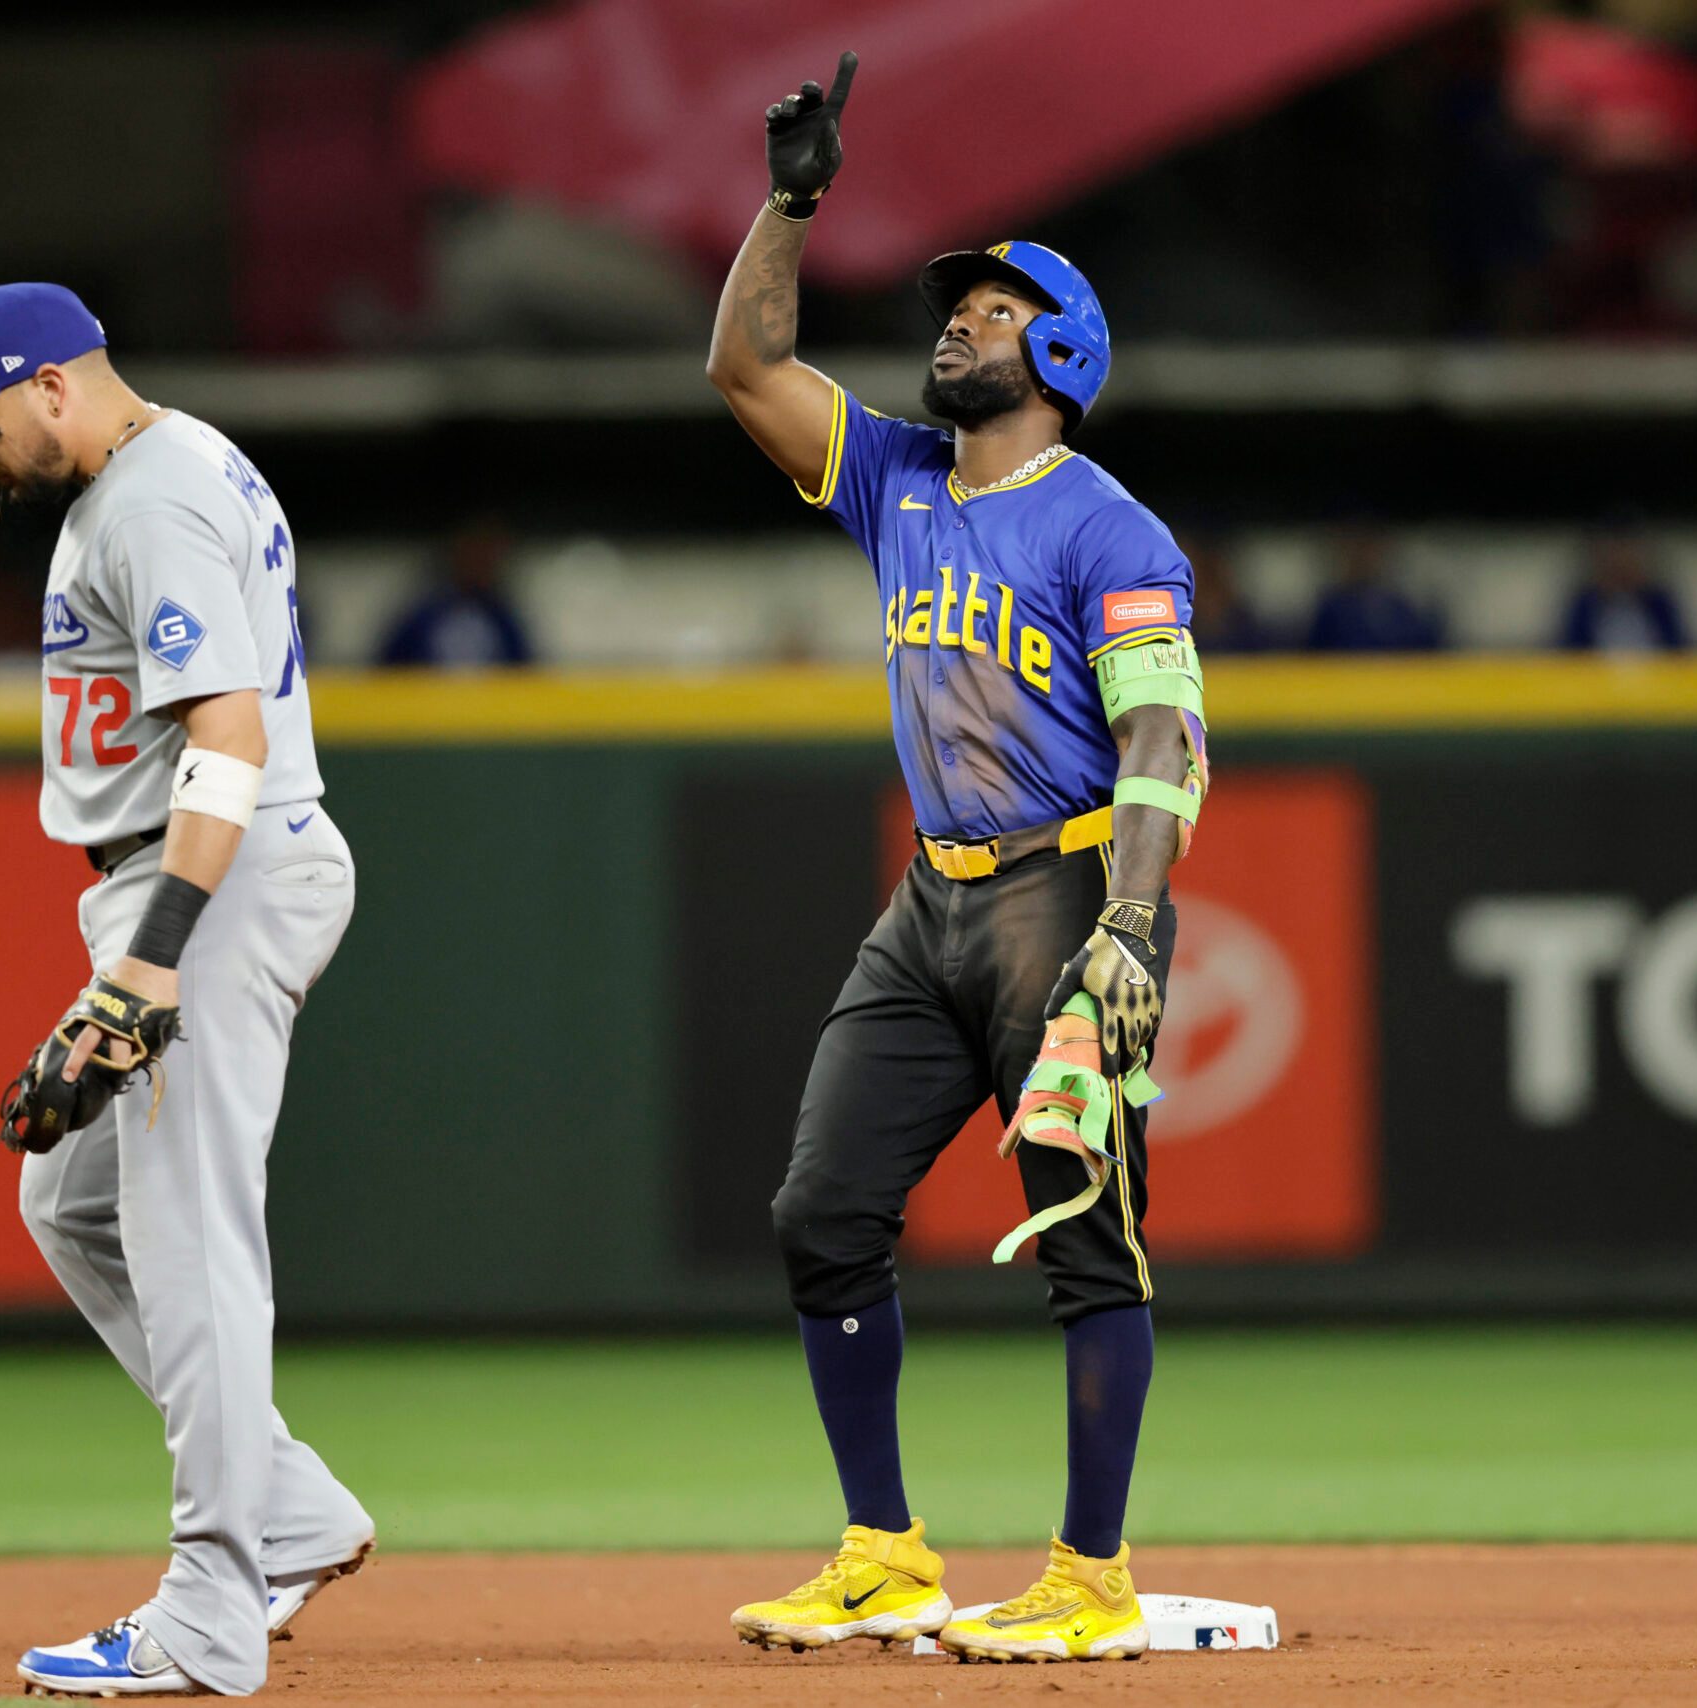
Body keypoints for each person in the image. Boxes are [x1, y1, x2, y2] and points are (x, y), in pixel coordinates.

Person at [702, 53, 1210, 1665]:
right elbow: (742, 361)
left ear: (1059, 352)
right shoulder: (898, 484)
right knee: (822, 1209)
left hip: (1068, 895)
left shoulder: (1111, 527)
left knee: (1083, 1231)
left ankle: (1091, 1573)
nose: (955, 326)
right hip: (931, 902)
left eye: (989, 313)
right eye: (953, 308)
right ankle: (884, 1552)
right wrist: (790, 205)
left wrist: (1130, 930)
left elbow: (1165, 741)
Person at [0, 284, 373, 1696]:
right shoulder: (169, 465)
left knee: (191, 1243)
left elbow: (223, 738)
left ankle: (212, 1616)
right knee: (74, 1201)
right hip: (195, 873)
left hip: (205, 877)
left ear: (47, 385)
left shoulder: (149, 496)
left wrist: (148, 962)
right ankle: (288, 1511)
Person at [377, 518, 533, 668]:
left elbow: (525, 672)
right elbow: (386, 669)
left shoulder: (501, 617)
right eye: (476, 550)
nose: (482, 560)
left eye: (491, 553)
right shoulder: (424, 616)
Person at [1305, 527, 1444, 652]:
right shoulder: (1331, 607)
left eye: (1368, 551)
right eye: (1355, 551)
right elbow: (1314, 655)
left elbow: (1424, 647)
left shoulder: (1398, 605)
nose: (1362, 559)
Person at [1556, 524, 1688, 652]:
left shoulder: (1660, 602)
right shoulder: (1584, 604)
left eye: (1629, 555)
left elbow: (1680, 649)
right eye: (1613, 557)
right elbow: (1569, 652)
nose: (1621, 564)